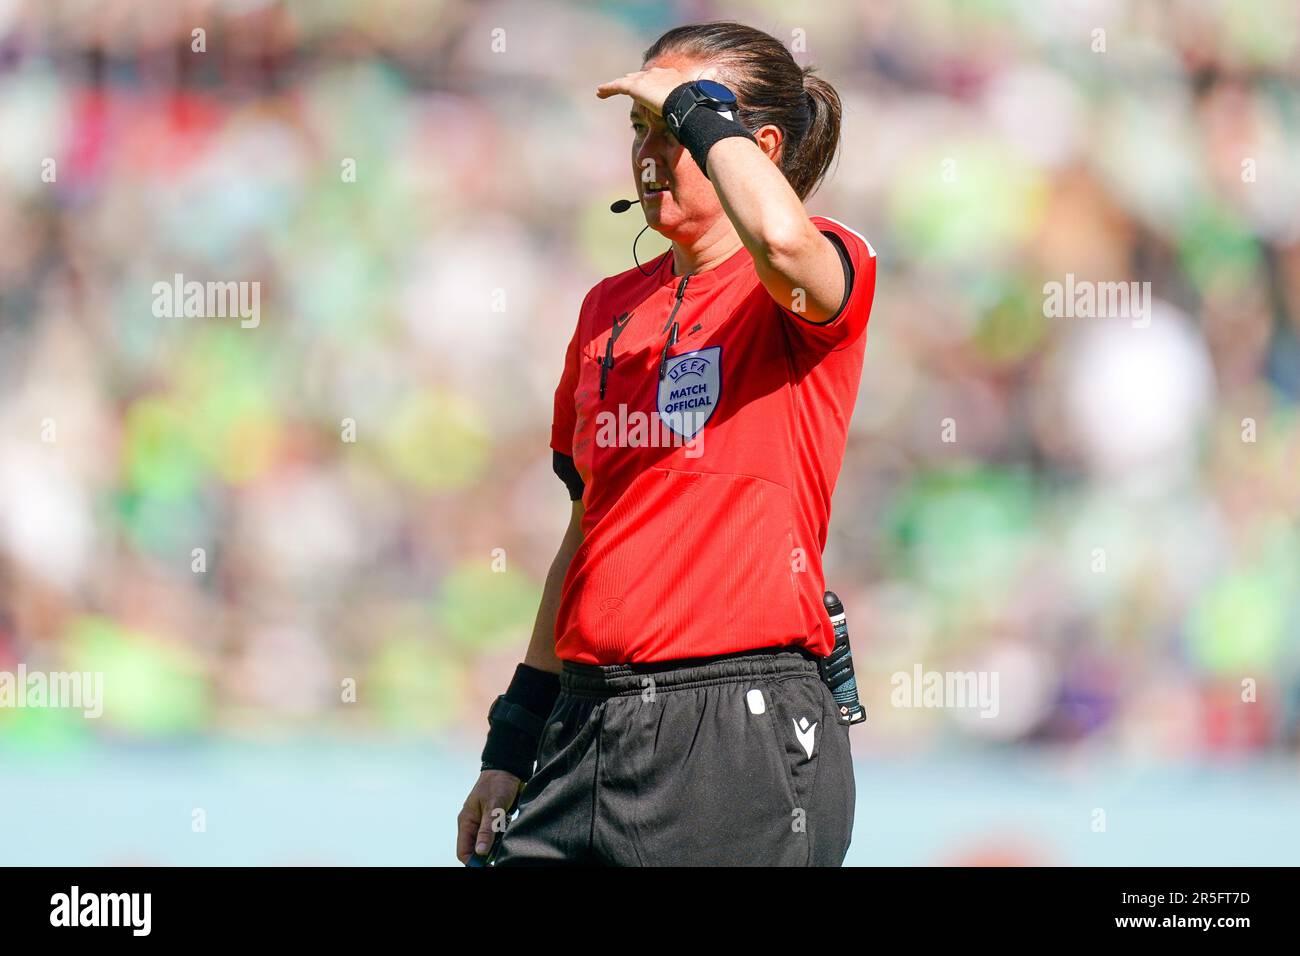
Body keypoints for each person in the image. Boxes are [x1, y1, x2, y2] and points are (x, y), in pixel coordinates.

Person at [457, 20, 877, 866]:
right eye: (640, 128)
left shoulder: (822, 266)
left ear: (754, 144)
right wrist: (513, 740)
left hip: (736, 731)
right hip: (587, 725)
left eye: (675, 128)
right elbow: (588, 533)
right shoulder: (607, 306)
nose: (651, 148)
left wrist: (691, 108)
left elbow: (786, 242)